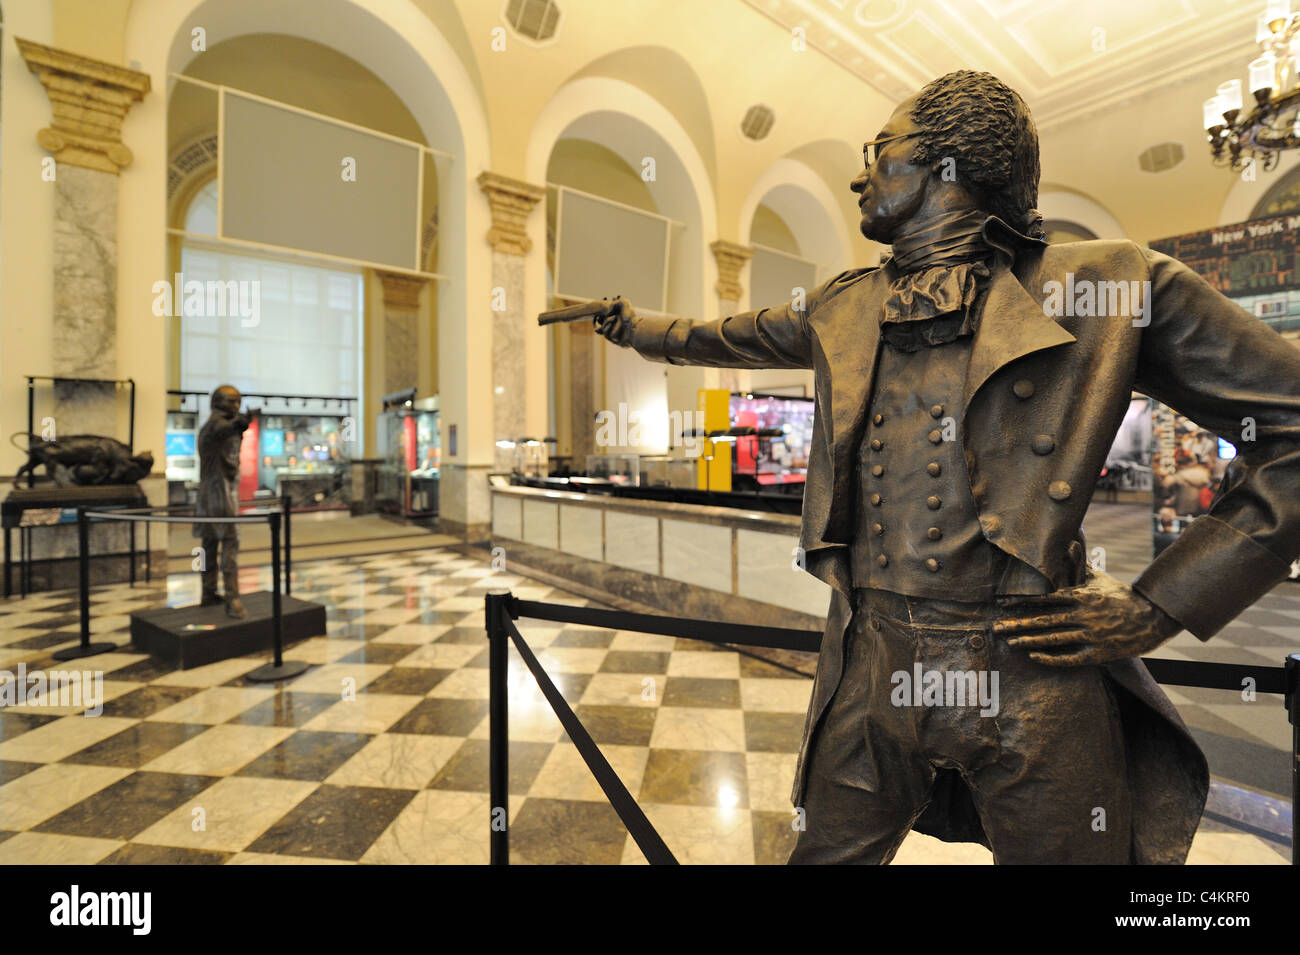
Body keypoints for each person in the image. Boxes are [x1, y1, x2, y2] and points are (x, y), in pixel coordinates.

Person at [593, 70, 1300, 864]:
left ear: (948, 164)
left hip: (1034, 669)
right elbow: (726, 333)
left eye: (880, 151)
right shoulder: (844, 304)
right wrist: (634, 326)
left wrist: (1159, 602)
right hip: (872, 659)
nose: (862, 173)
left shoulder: (1112, 285)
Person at [195, 385, 257, 618]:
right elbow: (226, 429)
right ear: (218, 402)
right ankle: (233, 599)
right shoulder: (215, 425)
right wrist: (241, 423)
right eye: (231, 401)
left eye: (238, 401)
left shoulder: (216, 426)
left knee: (208, 546)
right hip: (219, 494)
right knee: (230, 544)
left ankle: (208, 593)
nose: (236, 405)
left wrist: (240, 425)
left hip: (212, 494)